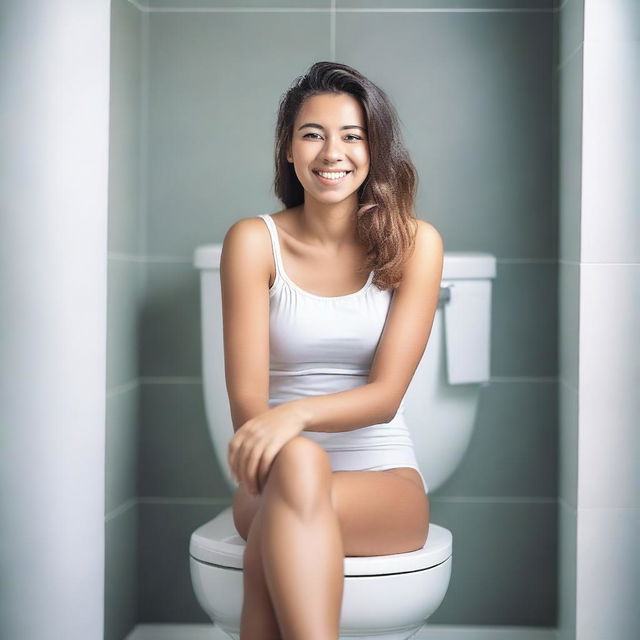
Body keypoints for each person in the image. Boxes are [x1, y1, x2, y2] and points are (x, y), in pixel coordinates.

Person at [220, 61, 444, 640]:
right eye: (312, 134)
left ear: (375, 150)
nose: (331, 153)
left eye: (352, 135)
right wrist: (288, 437)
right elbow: (248, 403)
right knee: (298, 464)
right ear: (289, 151)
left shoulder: (416, 245)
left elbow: (385, 397)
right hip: (271, 477)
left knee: (282, 515)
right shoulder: (253, 242)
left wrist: (294, 414)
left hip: (381, 482)